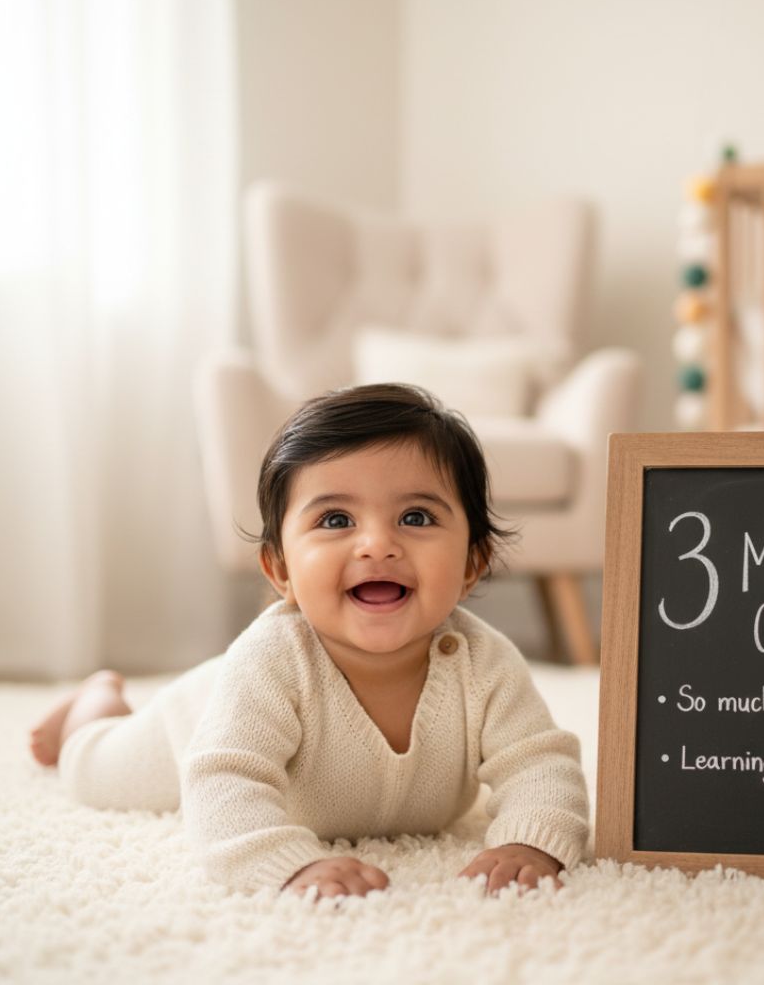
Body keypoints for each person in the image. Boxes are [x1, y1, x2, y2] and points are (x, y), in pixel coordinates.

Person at [29, 383, 590, 899]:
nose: (377, 545)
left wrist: (530, 839)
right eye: (336, 519)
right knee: (93, 769)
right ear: (280, 570)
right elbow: (225, 781)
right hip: (192, 721)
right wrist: (288, 864)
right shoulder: (272, 660)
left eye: (416, 516)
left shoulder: (485, 661)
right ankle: (94, 703)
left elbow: (539, 762)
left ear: (473, 564)